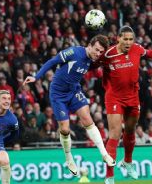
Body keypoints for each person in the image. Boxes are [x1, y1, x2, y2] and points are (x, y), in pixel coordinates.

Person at [23, 34, 115, 176]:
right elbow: (52, 61)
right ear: (89, 45)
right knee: (65, 129)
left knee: (87, 120)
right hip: (58, 94)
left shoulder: (92, 59)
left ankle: (104, 154)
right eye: (96, 49)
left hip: (73, 91)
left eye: (100, 51)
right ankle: (68, 158)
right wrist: (36, 76)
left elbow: (101, 62)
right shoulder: (74, 52)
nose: (98, 53)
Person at [99, 25, 152, 184]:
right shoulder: (108, 55)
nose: (128, 42)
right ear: (118, 38)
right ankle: (109, 176)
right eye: (125, 39)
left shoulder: (137, 49)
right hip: (114, 98)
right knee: (115, 134)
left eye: (130, 39)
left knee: (131, 130)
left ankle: (127, 162)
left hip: (133, 97)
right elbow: (91, 63)